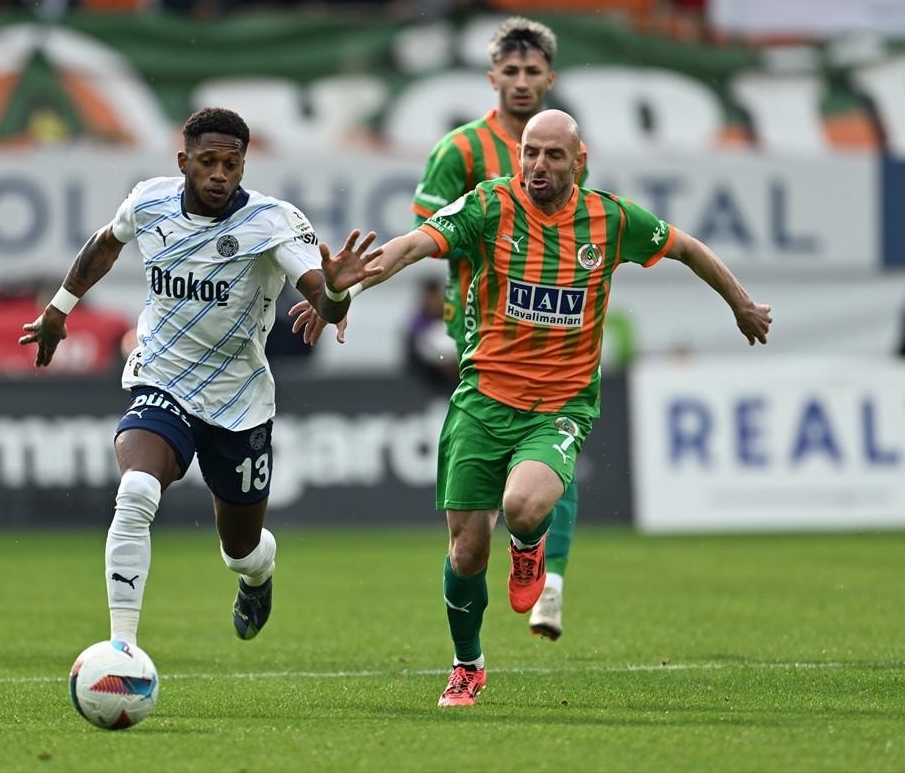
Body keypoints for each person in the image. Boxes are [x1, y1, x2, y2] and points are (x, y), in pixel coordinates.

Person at [295, 109, 771, 706]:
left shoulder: (612, 219)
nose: (537, 165)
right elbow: (413, 245)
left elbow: (688, 248)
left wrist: (741, 303)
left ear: (579, 161)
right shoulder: (489, 205)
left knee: (522, 506)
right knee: (466, 552)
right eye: (529, 152)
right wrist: (346, 285)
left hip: (561, 404)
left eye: (552, 155)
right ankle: (467, 665)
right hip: (482, 400)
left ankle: (528, 548)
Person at [18, 107, 380, 648]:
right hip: (162, 380)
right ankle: (121, 650)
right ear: (183, 161)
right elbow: (105, 242)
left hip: (240, 400)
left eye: (231, 165)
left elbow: (323, 303)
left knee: (240, 551)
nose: (219, 175)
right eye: (207, 161)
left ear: (243, 166)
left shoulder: (272, 222)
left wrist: (334, 291)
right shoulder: (150, 202)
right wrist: (58, 309)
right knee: (136, 491)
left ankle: (258, 574)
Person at [411, 15, 585, 641]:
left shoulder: (564, 149)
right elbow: (429, 231)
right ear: (492, 78)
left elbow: (574, 228)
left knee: (552, 441)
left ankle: (550, 581)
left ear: (549, 79)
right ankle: (484, 582)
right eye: (510, 70)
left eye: (532, 70)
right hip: (479, 330)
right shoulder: (459, 150)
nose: (521, 81)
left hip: (554, 325)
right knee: (484, 491)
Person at [405, 278, 459, 389]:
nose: (433, 302)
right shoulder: (418, 326)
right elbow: (415, 358)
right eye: (430, 298)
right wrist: (441, 362)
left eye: (436, 297)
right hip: (431, 380)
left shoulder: (455, 317)